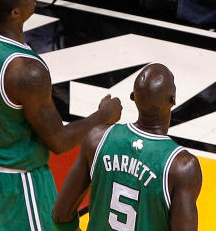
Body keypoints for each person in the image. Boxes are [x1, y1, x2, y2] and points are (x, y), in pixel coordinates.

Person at [0, 0, 122, 229]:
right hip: (16, 181)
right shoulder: (25, 72)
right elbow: (59, 141)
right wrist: (103, 116)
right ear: (14, 12)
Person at [52, 64, 202, 231]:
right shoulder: (182, 166)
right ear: (173, 100)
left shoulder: (97, 139)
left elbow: (61, 215)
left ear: (133, 97)